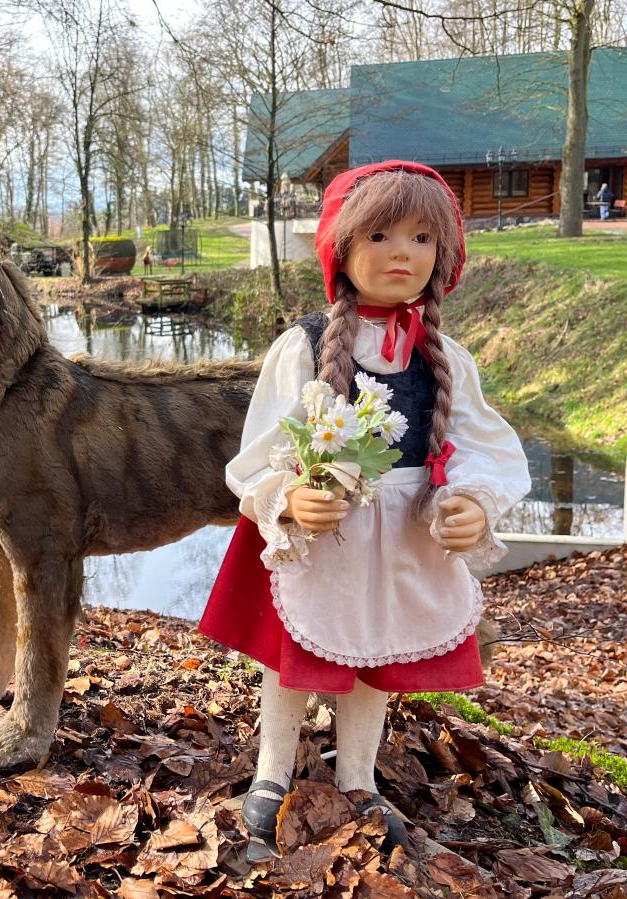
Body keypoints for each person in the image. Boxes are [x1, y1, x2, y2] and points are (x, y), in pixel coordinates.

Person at [199, 160, 530, 860]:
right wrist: (288, 493)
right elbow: (261, 444)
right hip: (326, 535)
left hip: (404, 535)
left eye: (420, 236)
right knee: (299, 652)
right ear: (341, 248)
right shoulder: (306, 345)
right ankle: (271, 770)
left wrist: (469, 497)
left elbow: (476, 441)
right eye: (379, 234)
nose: (402, 252)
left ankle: (357, 775)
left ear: (443, 254)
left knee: (374, 652)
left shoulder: (446, 358)